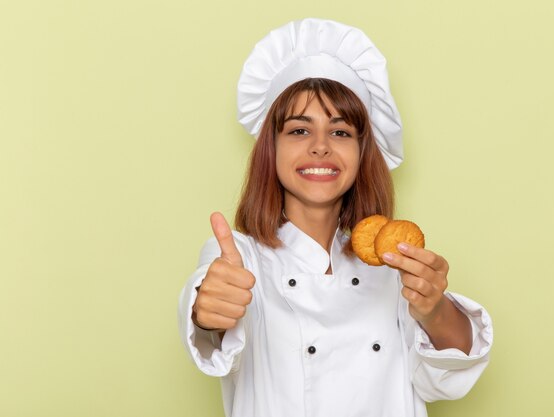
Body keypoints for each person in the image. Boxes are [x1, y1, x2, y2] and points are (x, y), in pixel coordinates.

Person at [178, 18, 493, 417]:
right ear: (270, 149)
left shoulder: (395, 265)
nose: (321, 147)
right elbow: (208, 318)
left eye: (341, 132)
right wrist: (207, 312)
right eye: (298, 131)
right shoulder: (240, 258)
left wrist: (433, 309)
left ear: (363, 152)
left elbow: (447, 375)